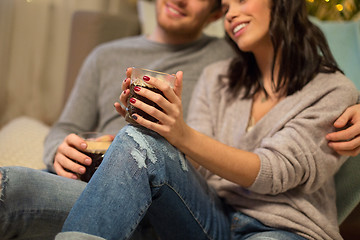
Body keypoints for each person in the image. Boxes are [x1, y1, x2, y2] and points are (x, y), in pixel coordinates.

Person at [0, 0, 359, 239]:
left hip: (278, 227)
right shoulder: (221, 77)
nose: (232, 11)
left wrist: (179, 134)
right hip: (202, 213)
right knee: (12, 184)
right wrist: (150, 127)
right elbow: (189, 170)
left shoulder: (331, 90)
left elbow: (276, 170)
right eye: (228, 2)